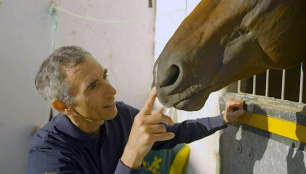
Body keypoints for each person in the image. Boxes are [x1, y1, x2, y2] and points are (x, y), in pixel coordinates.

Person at [27, 46, 245, 174]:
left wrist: (222, 119)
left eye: (105, 77)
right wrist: (130, 157)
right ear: (63, 106)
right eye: (93, 86)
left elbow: (173, 133)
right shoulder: (47, 156)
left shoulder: (119, 115)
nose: (112, 90)